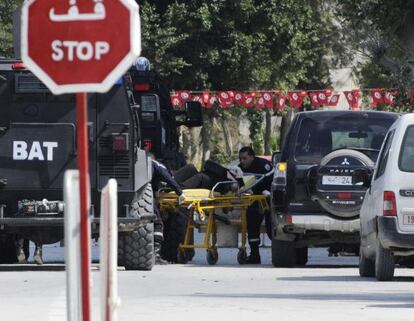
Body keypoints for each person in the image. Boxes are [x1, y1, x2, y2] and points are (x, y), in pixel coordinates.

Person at [238, 146, 273, 264]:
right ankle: (254, 255)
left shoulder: (263, 165)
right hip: (254, 200)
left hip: (269, 199)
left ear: (252, 157)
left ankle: (279, 253)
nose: (242, 161)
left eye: (245, 158)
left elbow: (271, 180)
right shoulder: (239, 169)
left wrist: (266, 191)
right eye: (240, 159)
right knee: (252, 221)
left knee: (272, 227)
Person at [151, 158, 185, 264]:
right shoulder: (159, 165)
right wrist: (180, 192)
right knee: (158, 224)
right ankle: (155, 255)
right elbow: (168, 178)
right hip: (143, 195)